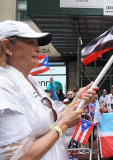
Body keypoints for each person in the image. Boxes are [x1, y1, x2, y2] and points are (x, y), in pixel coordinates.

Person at [0, 20, 98, 160]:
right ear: (7, 46)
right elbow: (20, 156)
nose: (38, 49)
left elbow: (53, 121)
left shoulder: (31, 81)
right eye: (31, 43)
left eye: (37, 44)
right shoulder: (4, 85)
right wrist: (63, 126)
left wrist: (78, 99)